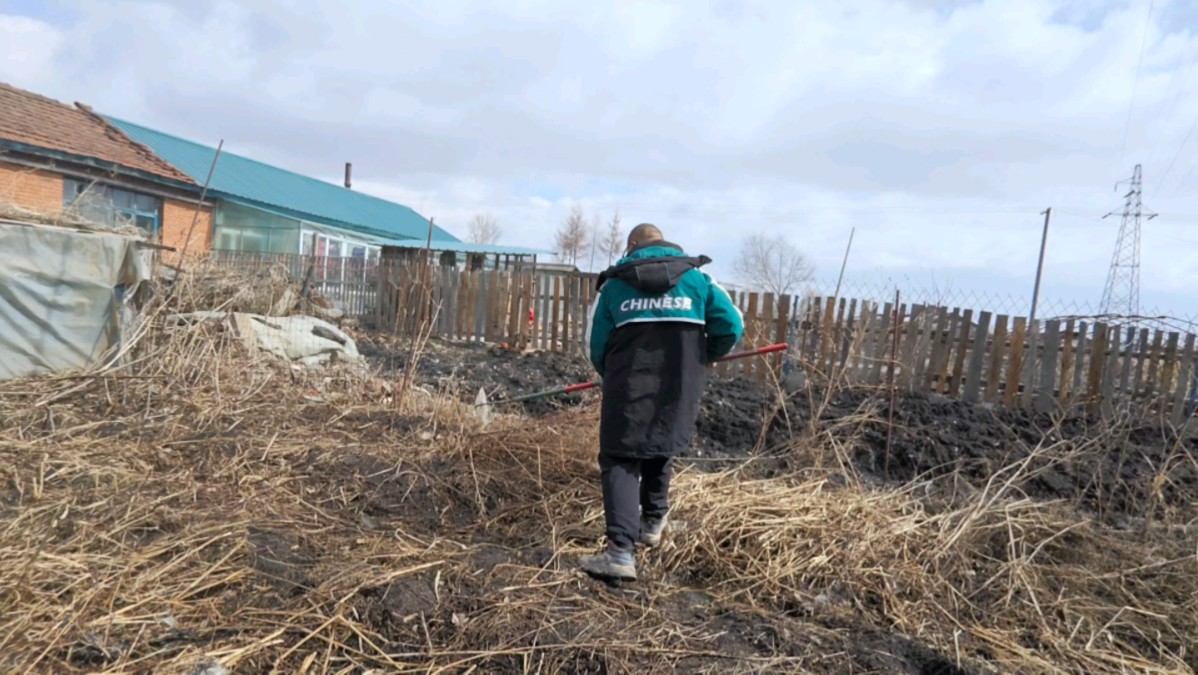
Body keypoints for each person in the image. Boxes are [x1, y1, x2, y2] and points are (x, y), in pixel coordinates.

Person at [579, 223, 744, 581]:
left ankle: (620, 553)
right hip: (681, 381)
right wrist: (707, 355)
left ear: (634, 245)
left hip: (628, 384)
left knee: (620, 457)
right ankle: (652, 522)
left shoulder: (615, 283)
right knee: (661, 440)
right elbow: (732, 324)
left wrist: (611, 372)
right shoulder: (698, 279)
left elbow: (595, 343)